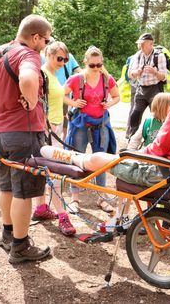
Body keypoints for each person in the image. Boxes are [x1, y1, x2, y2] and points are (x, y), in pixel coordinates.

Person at [42, 60, 170, 254]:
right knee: (105, 157)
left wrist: (134, 156)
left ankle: (66, 156)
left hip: (164, 174)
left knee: (97, 158)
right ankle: (68, 155)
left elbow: (158, 148)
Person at [0, 14, 53, 264]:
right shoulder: (29, 55)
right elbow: (27, 78)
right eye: (46, 40)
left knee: (6, 185)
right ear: (35, 37)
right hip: (21, 131)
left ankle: (7, 234)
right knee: (24, 192)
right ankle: (20, 246)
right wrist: (32, 100)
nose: (46, 45)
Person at [64, 46, 120, 214]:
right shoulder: (76, 79)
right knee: (77, 159)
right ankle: (75, 199)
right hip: (80, 124)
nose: (96, 68)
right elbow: (62, 95)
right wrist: (74, 103)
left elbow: (117, 96)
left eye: (99, 65)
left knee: (101, 162)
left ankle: (102, 198)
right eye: (92, 65)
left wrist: (109, 103)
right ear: (85, 63)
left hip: (100, 124)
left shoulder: (107, 79)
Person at [31, 41, 76, 236]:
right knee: (54, 171)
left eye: (65, 59)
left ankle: (41, 208)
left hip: (54, 128)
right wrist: (47, 126)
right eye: (59, 58)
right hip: (45, 131)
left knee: (44, 170)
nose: (63, 62)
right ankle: (62, 215)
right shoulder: (42, 74)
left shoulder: (54, 75)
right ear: (48, 55)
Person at [125, 33, 168, 139]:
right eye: (140, 44)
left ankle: (157, 138)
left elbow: (164, 77)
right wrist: (136, 73)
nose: (141, 47)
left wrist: (154, 72)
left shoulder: (159, 56)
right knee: (135, 113)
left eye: (143, 44)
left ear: (151, 44)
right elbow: (130, 74)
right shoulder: (137, 56)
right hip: (141, 89)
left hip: (155, 89)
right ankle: (132, 138)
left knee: (157, 116)